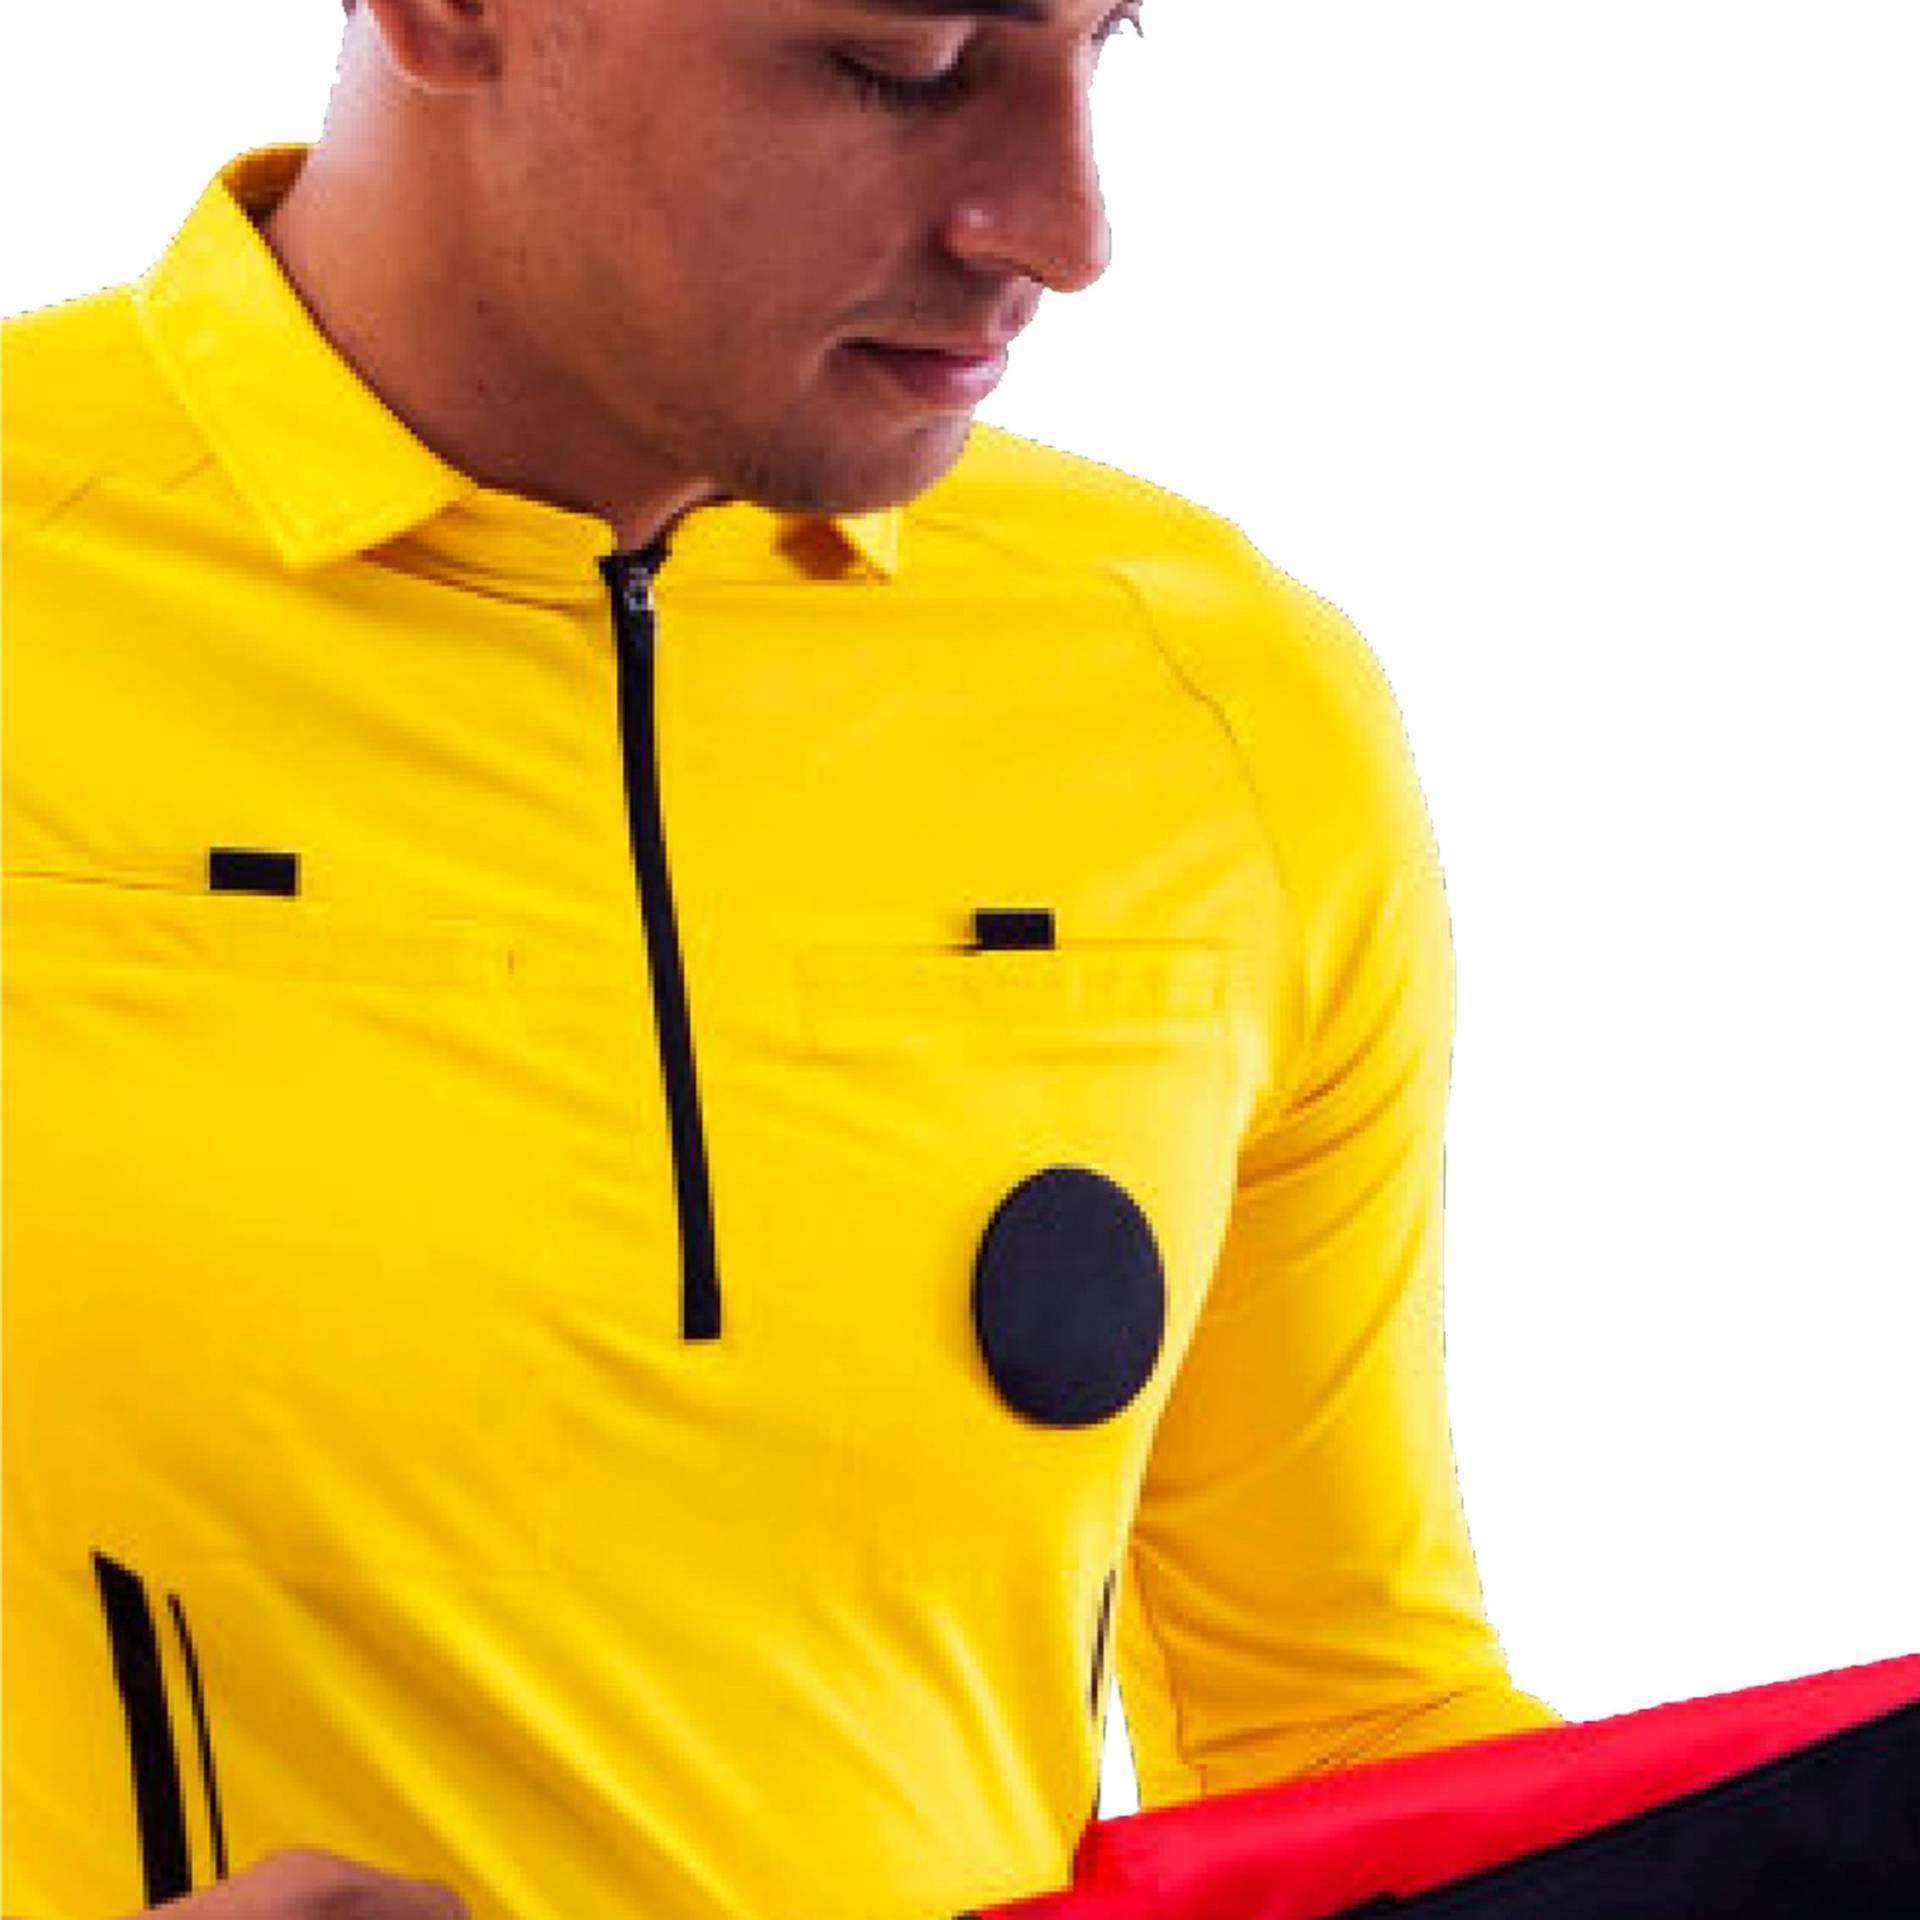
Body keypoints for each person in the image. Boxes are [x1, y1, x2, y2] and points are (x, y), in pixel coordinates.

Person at [0, 2, 1564, 1918]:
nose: (1064, 228)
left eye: (1106, 42)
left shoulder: (1217, 699)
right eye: (903, 63)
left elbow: (1340, 1727)